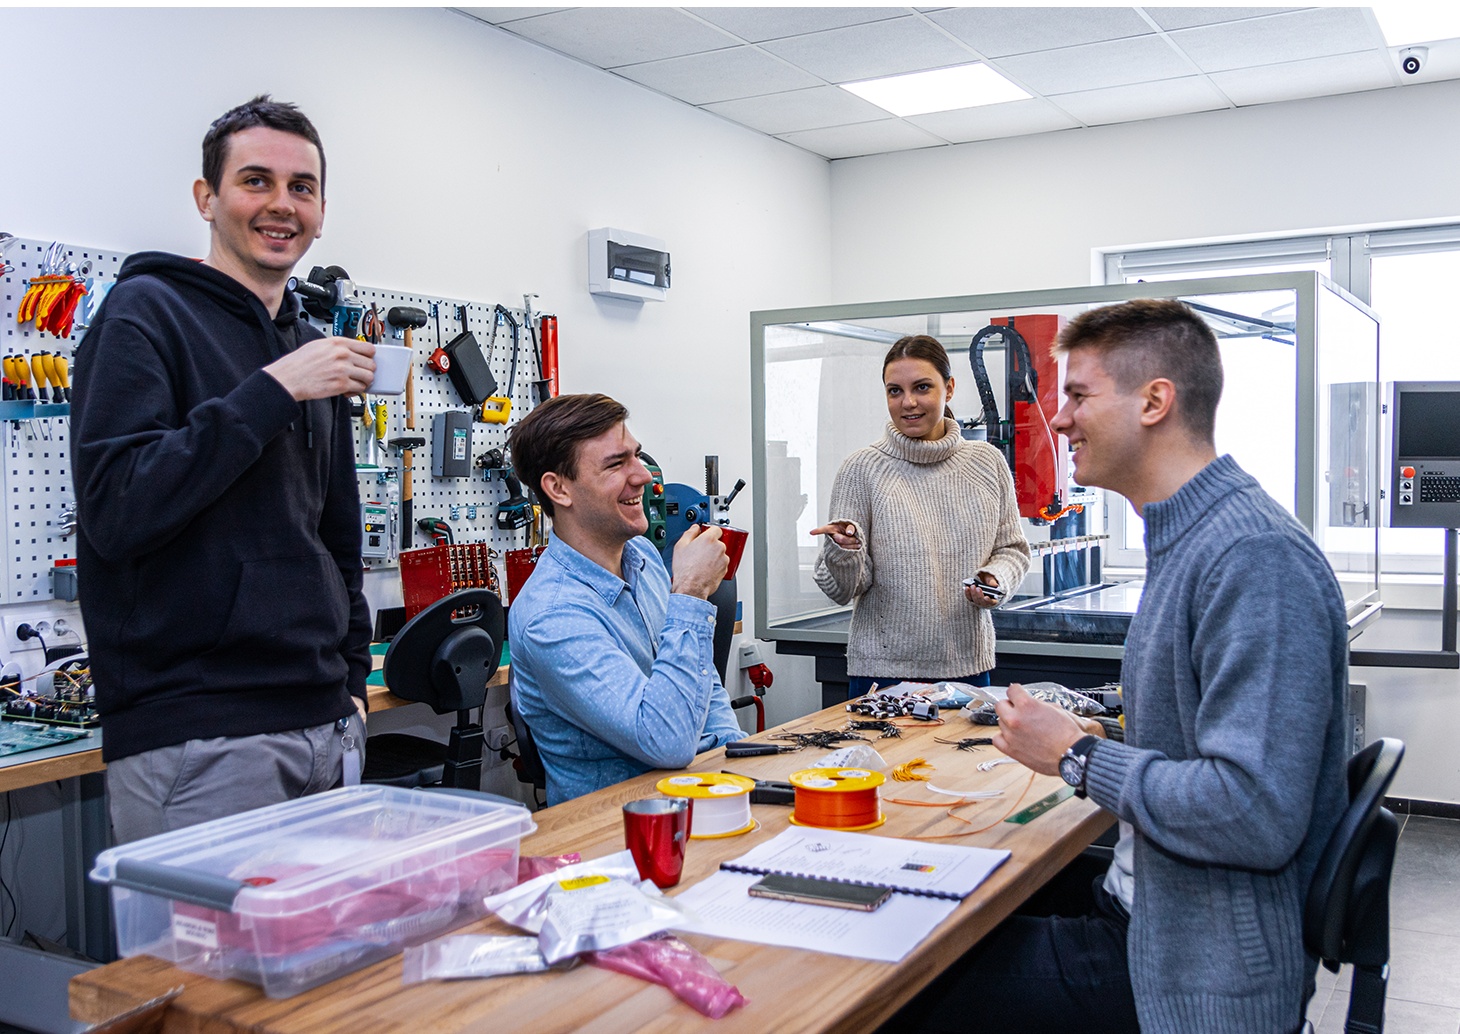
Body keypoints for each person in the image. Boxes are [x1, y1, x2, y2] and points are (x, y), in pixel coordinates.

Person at [886, 300, 1349, 1034]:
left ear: (1155, 401)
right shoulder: (1193, 539)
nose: (1059, 421)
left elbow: (1254, 812)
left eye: (1077, 396)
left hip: (1189, 969)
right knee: (930, 909)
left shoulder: (1252, 559)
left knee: (896, 986)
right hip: (1149, 909)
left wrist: (1077, 755)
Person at [73, 96, 377, 843]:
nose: (281, 205)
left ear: (322, 209)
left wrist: (350, 683)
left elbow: (336, 535)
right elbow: (119, 508)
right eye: (256, 181)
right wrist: (274, 390)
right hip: (200, 734)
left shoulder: (307, 345)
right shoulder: (142, 315)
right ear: (207, 198)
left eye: (301, 187)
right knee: (200, 967)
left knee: (332, 962)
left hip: (324, 722)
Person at [506, 393, 748, 805]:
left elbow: (702, 683)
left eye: (636, 456)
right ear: (558, 489)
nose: (643, 477)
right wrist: (689, 593)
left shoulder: (643, 558)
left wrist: (738, 757)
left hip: (699, 796)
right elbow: (665, 740)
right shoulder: (552, 615)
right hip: (616, 829)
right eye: (617, 464)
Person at [812, 335, 1030, 696]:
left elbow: (1013, 550)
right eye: (894, 391)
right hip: (880, 675)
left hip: (967, 669)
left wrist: (994, 580)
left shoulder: (987, 462)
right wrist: (845, 552)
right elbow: (842, 590)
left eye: (922, 387)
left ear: (950, 387)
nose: (908, 403)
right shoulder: (860, 470)